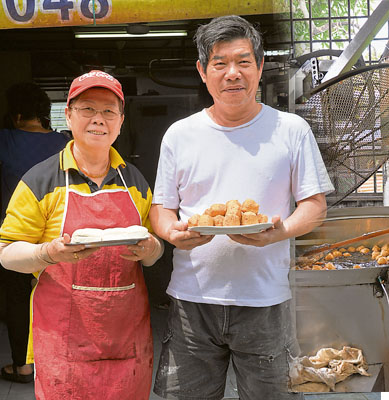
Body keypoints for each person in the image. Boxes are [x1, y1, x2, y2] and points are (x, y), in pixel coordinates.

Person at [149, 15, 333, 400]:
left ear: (260, 67)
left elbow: (315, 206)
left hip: (264, 301)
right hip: (191, 302)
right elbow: (161, 209)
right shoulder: (180, 135)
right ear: (203, 71)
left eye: (243, 61)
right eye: (220, 63)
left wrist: (278, 233)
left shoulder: (290, 130)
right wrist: (171, 233)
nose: (232, 73)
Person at [0, 70, 164, 399]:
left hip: (126, 342)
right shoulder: (40, 180)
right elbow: (7, 253)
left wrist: (150, 250)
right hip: (63, 342)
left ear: (120, 121)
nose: (98, 119)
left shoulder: (135, 180)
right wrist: (47, 253)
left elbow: (154, 251)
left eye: (108, 111)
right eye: (87, 108)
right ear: (69, 116)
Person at [0, 82, 69, 383]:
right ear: (45, 113)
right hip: (60, 232)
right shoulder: (66, 141)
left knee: (16, 298)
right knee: (63, 296)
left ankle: (23, 366)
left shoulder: (6, 140)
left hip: (17, 232)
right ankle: (62, 362)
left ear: (15, 115)